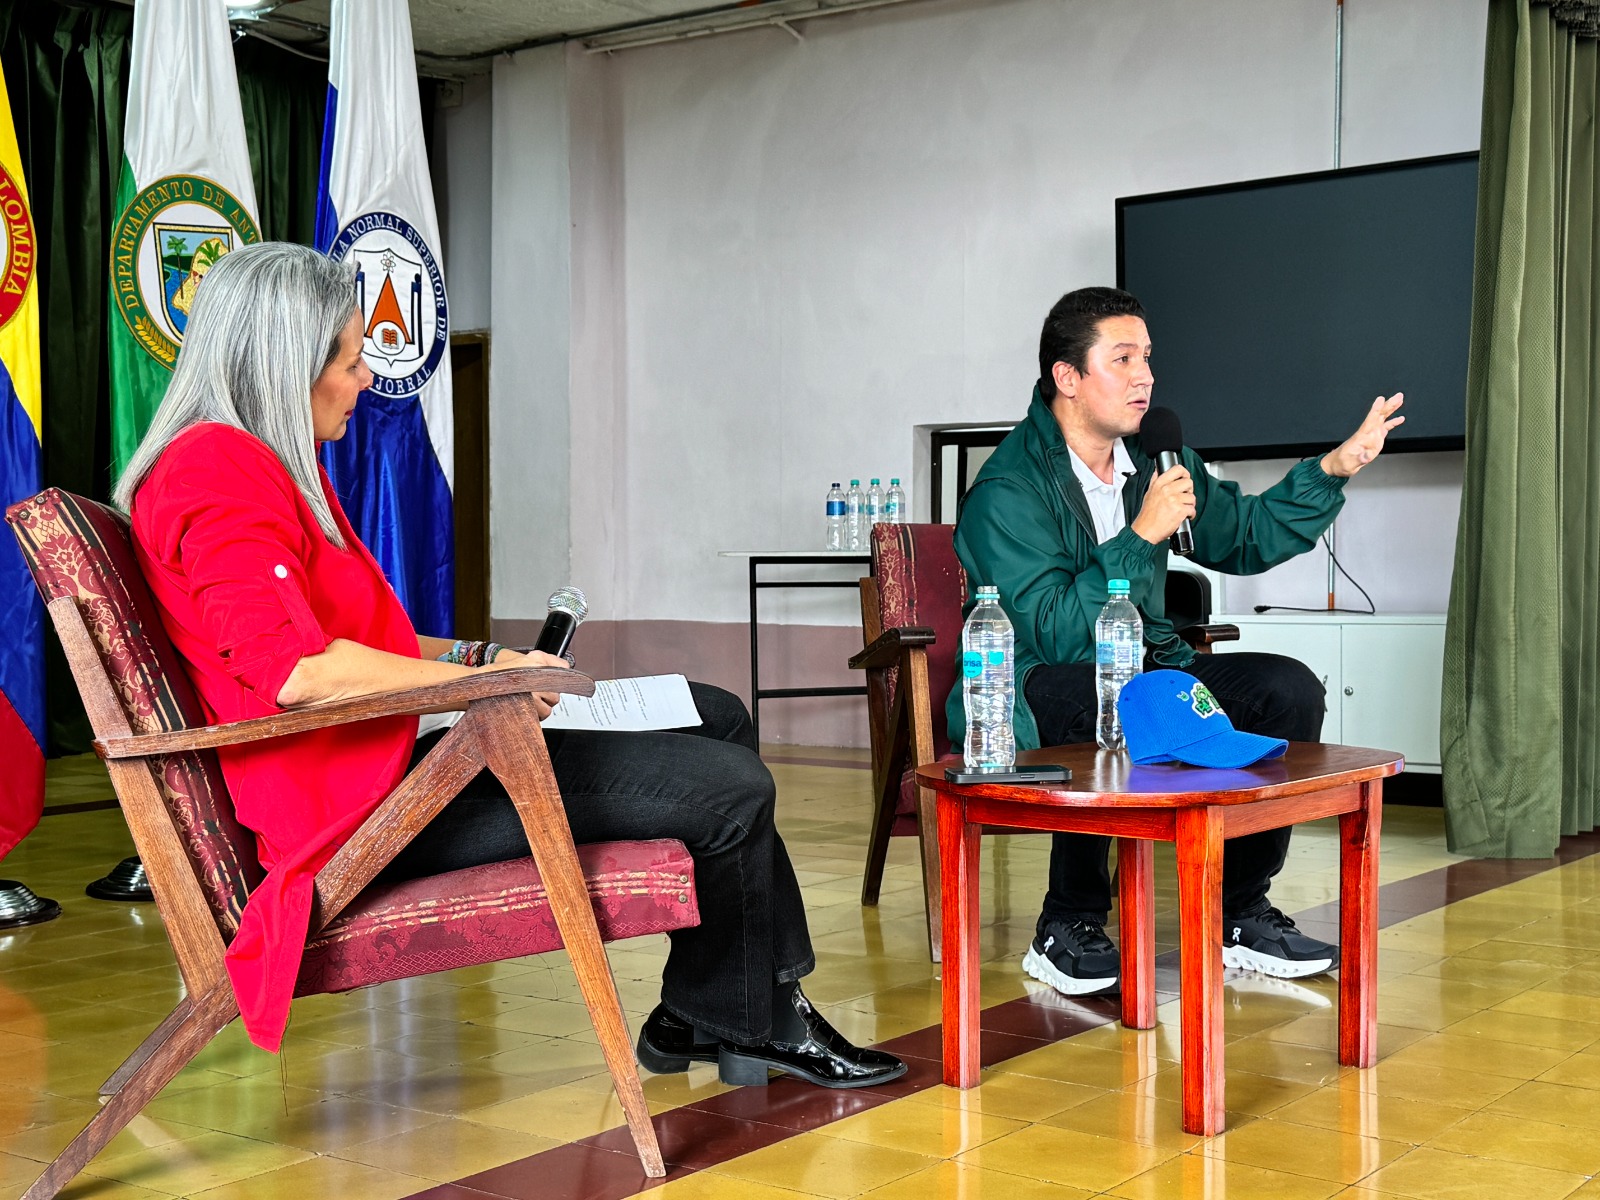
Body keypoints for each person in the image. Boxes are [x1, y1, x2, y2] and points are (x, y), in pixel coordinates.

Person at [114, 241, 904, 1090]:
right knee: (732, 787)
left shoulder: (264, 463)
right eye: (349, 361)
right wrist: (484, 690)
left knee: (714, 714)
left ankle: (707, 1010)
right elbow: (298, 670)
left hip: (391, 762)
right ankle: (758, 1020)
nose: (366, 380)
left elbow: (351, 640)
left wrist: (485, 659)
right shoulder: (217, 469)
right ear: (284, 366)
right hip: (366, 809)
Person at [946, 286, 1403, 996]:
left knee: (1284, 688)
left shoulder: (1157, 462)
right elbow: (1056, 630)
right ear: (1067, 378)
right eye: (1122, 358)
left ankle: (1239, 911)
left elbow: (1243, 534)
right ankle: (1065, 924)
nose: (1145, 376)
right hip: (1032, 690)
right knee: (1118, 698)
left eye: (1148, 358)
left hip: (1154, 670)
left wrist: (1332, 470)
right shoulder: (1008, 489)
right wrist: (1140, 537)